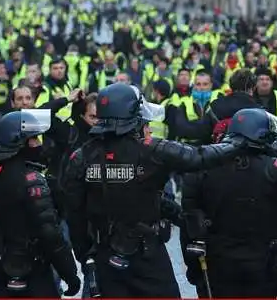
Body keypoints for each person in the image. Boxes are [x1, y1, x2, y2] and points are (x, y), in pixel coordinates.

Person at [63, 83, 246, 298]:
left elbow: (74, 215)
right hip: (147, 257)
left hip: (105, 256)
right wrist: (240, 141)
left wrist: (86, 256)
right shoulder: (151, 150)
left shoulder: (81, 157)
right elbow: (200, 157)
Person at [182, 107, 277, 298]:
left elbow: (189, 215)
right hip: (261, 260)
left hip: (218, 260)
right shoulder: (274, 167)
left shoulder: (206, 165)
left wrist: (193, 267)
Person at [0, 109, 81, 298]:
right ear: (20, 142)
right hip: (34, 275)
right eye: (34, 139)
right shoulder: (32, 179)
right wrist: (70, 275)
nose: (39, 144)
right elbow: (51, 234)